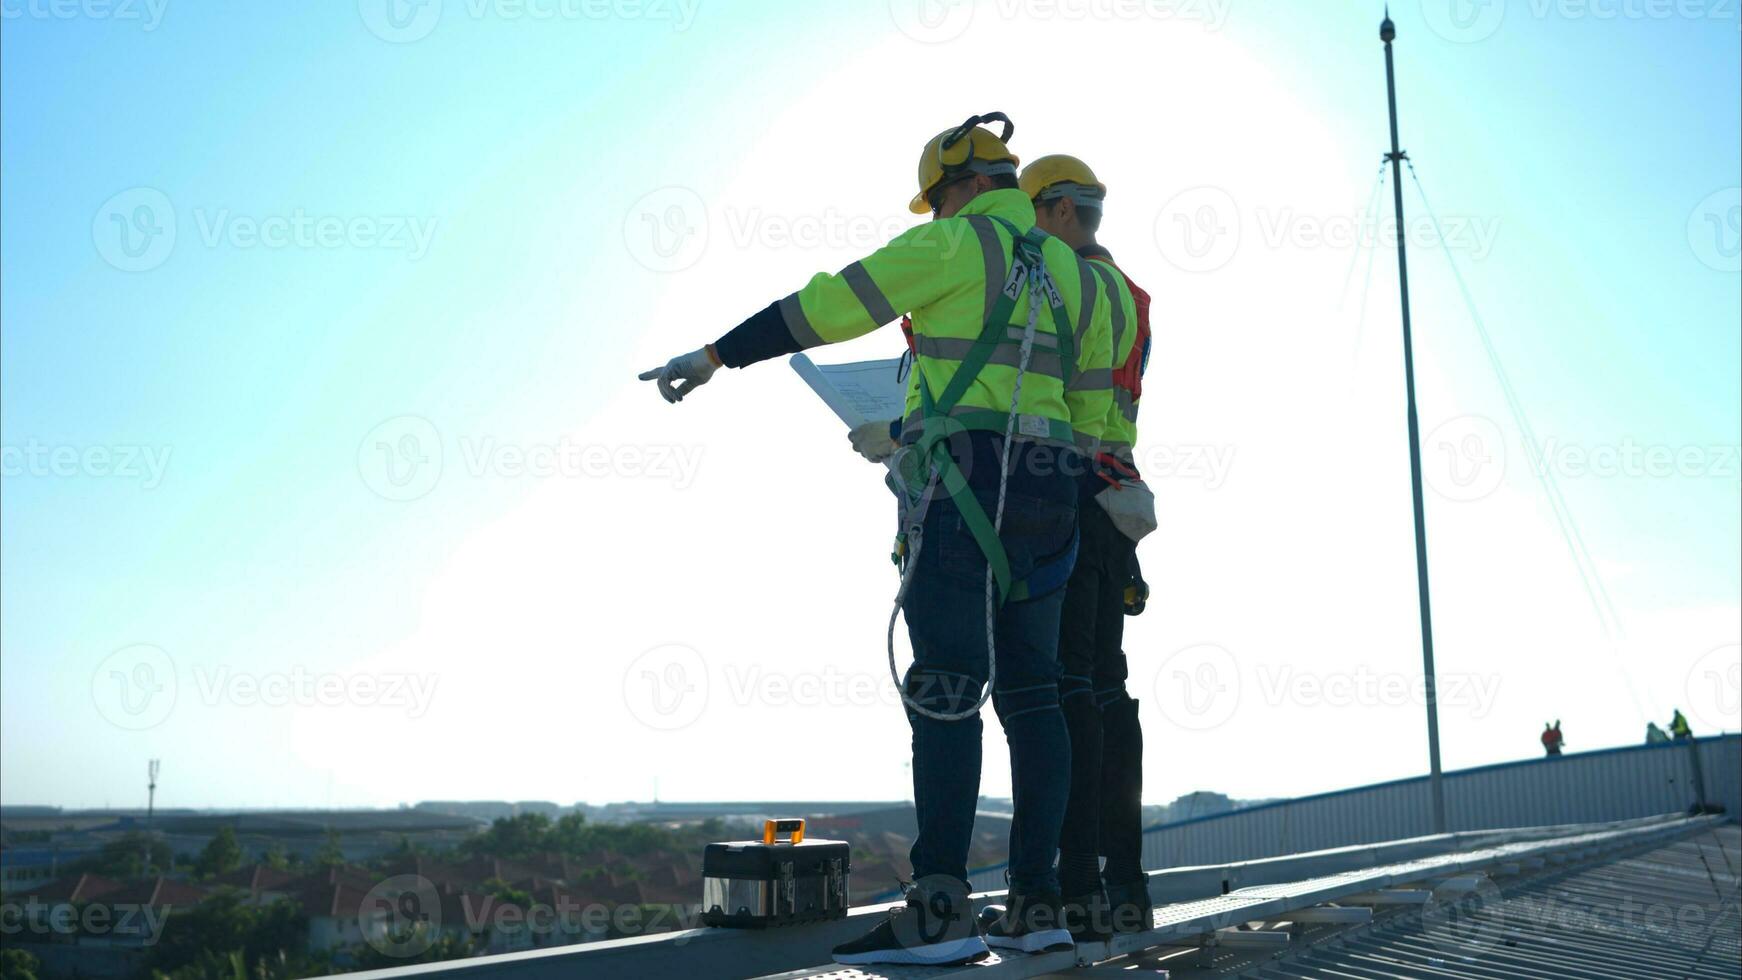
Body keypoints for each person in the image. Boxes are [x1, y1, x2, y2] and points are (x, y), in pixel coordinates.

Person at [640, 112, 1114, 966]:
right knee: (1036, 698)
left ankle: (938, 909)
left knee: (946, 688)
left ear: (963, 190)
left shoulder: (953, 247)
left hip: (968, 482)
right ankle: (1039, 904)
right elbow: (1092, 413)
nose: (933, 215)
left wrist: (716, 355)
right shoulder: (1077, 279)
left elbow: (827, 306)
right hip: (1053, 493)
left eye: (937, 201)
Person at [1019, 154, 1154, 939]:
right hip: (1116, 499)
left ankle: (1073, 887)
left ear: (1061, 211)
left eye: (1032, 214)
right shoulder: (1130, 293)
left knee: (1066, 685)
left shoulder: (1066, 283)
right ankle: (1123, 885)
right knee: (1107, 688)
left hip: (1067, 488)